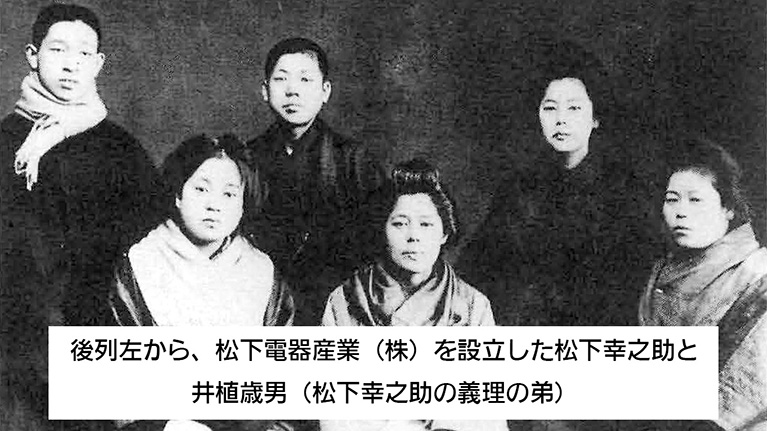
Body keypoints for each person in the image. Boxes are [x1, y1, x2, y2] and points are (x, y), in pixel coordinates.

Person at [0, 4, 162, 430]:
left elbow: (149, 248)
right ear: (32, 55)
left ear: (98, 63)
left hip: (98, 340)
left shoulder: (122, 149)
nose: (71, 64)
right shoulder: (6, 142)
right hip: (15, 344)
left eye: (84, 53)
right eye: (58, 50)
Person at [458, 40, 655, 327]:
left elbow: (637, 286)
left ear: (595, 117)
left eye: (574, 108)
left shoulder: (625, 191)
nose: (561, 120)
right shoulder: (518, 190)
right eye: (550, 108)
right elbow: (476, 269)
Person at [321, 159, 502, 431]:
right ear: (382, 229)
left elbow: (484, 413)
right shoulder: (345, 300)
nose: (413, 236)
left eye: (426, 224)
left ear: (445, 233)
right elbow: (334, 408)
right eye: (399, 224)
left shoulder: (473, 305)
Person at [245, 37, 386, 326]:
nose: (292, 90)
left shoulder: (353, 160)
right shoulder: (246, 158)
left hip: (339, 307)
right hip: (262, 303)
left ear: (325, 91)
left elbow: (379, 244)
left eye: (305, 79)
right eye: (281, 79)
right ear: (265, 90)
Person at [638, 139, 766, 431]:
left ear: (728, 208)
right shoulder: (663, 270)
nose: (681, 212)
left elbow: (747, 389)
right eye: (672, 199)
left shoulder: (757, 275)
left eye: (695, 200)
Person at [110, 134, 293, 327]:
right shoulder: (140, 262)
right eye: (201, 189)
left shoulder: (261, 271)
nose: (214, 205)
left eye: (229, 194)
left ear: (243, 205)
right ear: (178, 195)